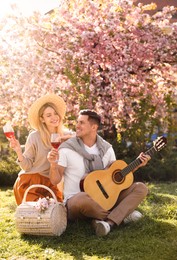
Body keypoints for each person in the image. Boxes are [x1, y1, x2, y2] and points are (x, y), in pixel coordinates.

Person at [48, 109, 150, 236]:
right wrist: (53, 165)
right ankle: (121, 216)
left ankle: (107, 222)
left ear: (94, 127)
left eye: (81, 123)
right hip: (77, 201)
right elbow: (54, 180)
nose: (77, 126)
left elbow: (115, 175)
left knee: (141, 188)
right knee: (81, 199)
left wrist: (136, 166)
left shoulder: (107, 149)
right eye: (77, 122)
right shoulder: (67, 148)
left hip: (105, 199)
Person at [9, 93, 72, 205]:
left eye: (55, 113)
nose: (54, 117)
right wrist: (18, 151)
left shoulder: (66, 136)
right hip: (31, 182)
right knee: (38, 213)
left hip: (50, 183)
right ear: (42, 119)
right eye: (48, 115)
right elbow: (27, 166)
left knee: (57, 213)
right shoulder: (34, 136)